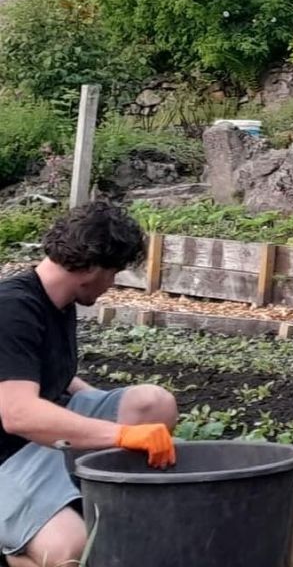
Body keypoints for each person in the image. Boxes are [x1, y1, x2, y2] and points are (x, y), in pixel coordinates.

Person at [0, 201, 178, 567]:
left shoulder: (56, 300)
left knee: (152, 405)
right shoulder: (12, 310)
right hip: (7, 457)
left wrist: (98, 410)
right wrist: (120, 436)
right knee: (71, 551)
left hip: (40, 444)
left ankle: (98, 501)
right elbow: (18, 414)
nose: (112, 284)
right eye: (114, 273)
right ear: (92, 267)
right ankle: (17, 548)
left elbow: (47, 373)